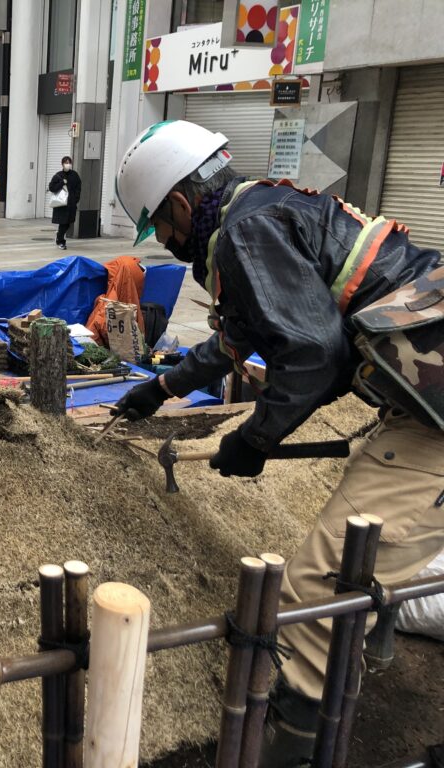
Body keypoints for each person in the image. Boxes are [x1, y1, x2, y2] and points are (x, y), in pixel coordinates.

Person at [112, 120, 443, 767]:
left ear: (180, 205)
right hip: (426, 395)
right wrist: (161, 388)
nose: (173, 246)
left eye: (166, 232)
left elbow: (313, 354)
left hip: (433, 419)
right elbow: (240, 338)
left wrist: (255, 437)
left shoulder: (241, 233)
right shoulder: (264, 210)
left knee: (322, 585)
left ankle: (290, 747)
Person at [48, 156, 80, 250]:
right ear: (62, 164)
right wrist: (61, 183)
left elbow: (78, 188)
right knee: (63, 222)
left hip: (71, 204)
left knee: (68, 223)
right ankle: (60, 241)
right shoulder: (58, 175)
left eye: (69, 162)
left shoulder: (75, 175)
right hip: (61, 204)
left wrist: (76, 199)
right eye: (66, 162)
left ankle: (59, 235)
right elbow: (52, 188)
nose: (68, 164)